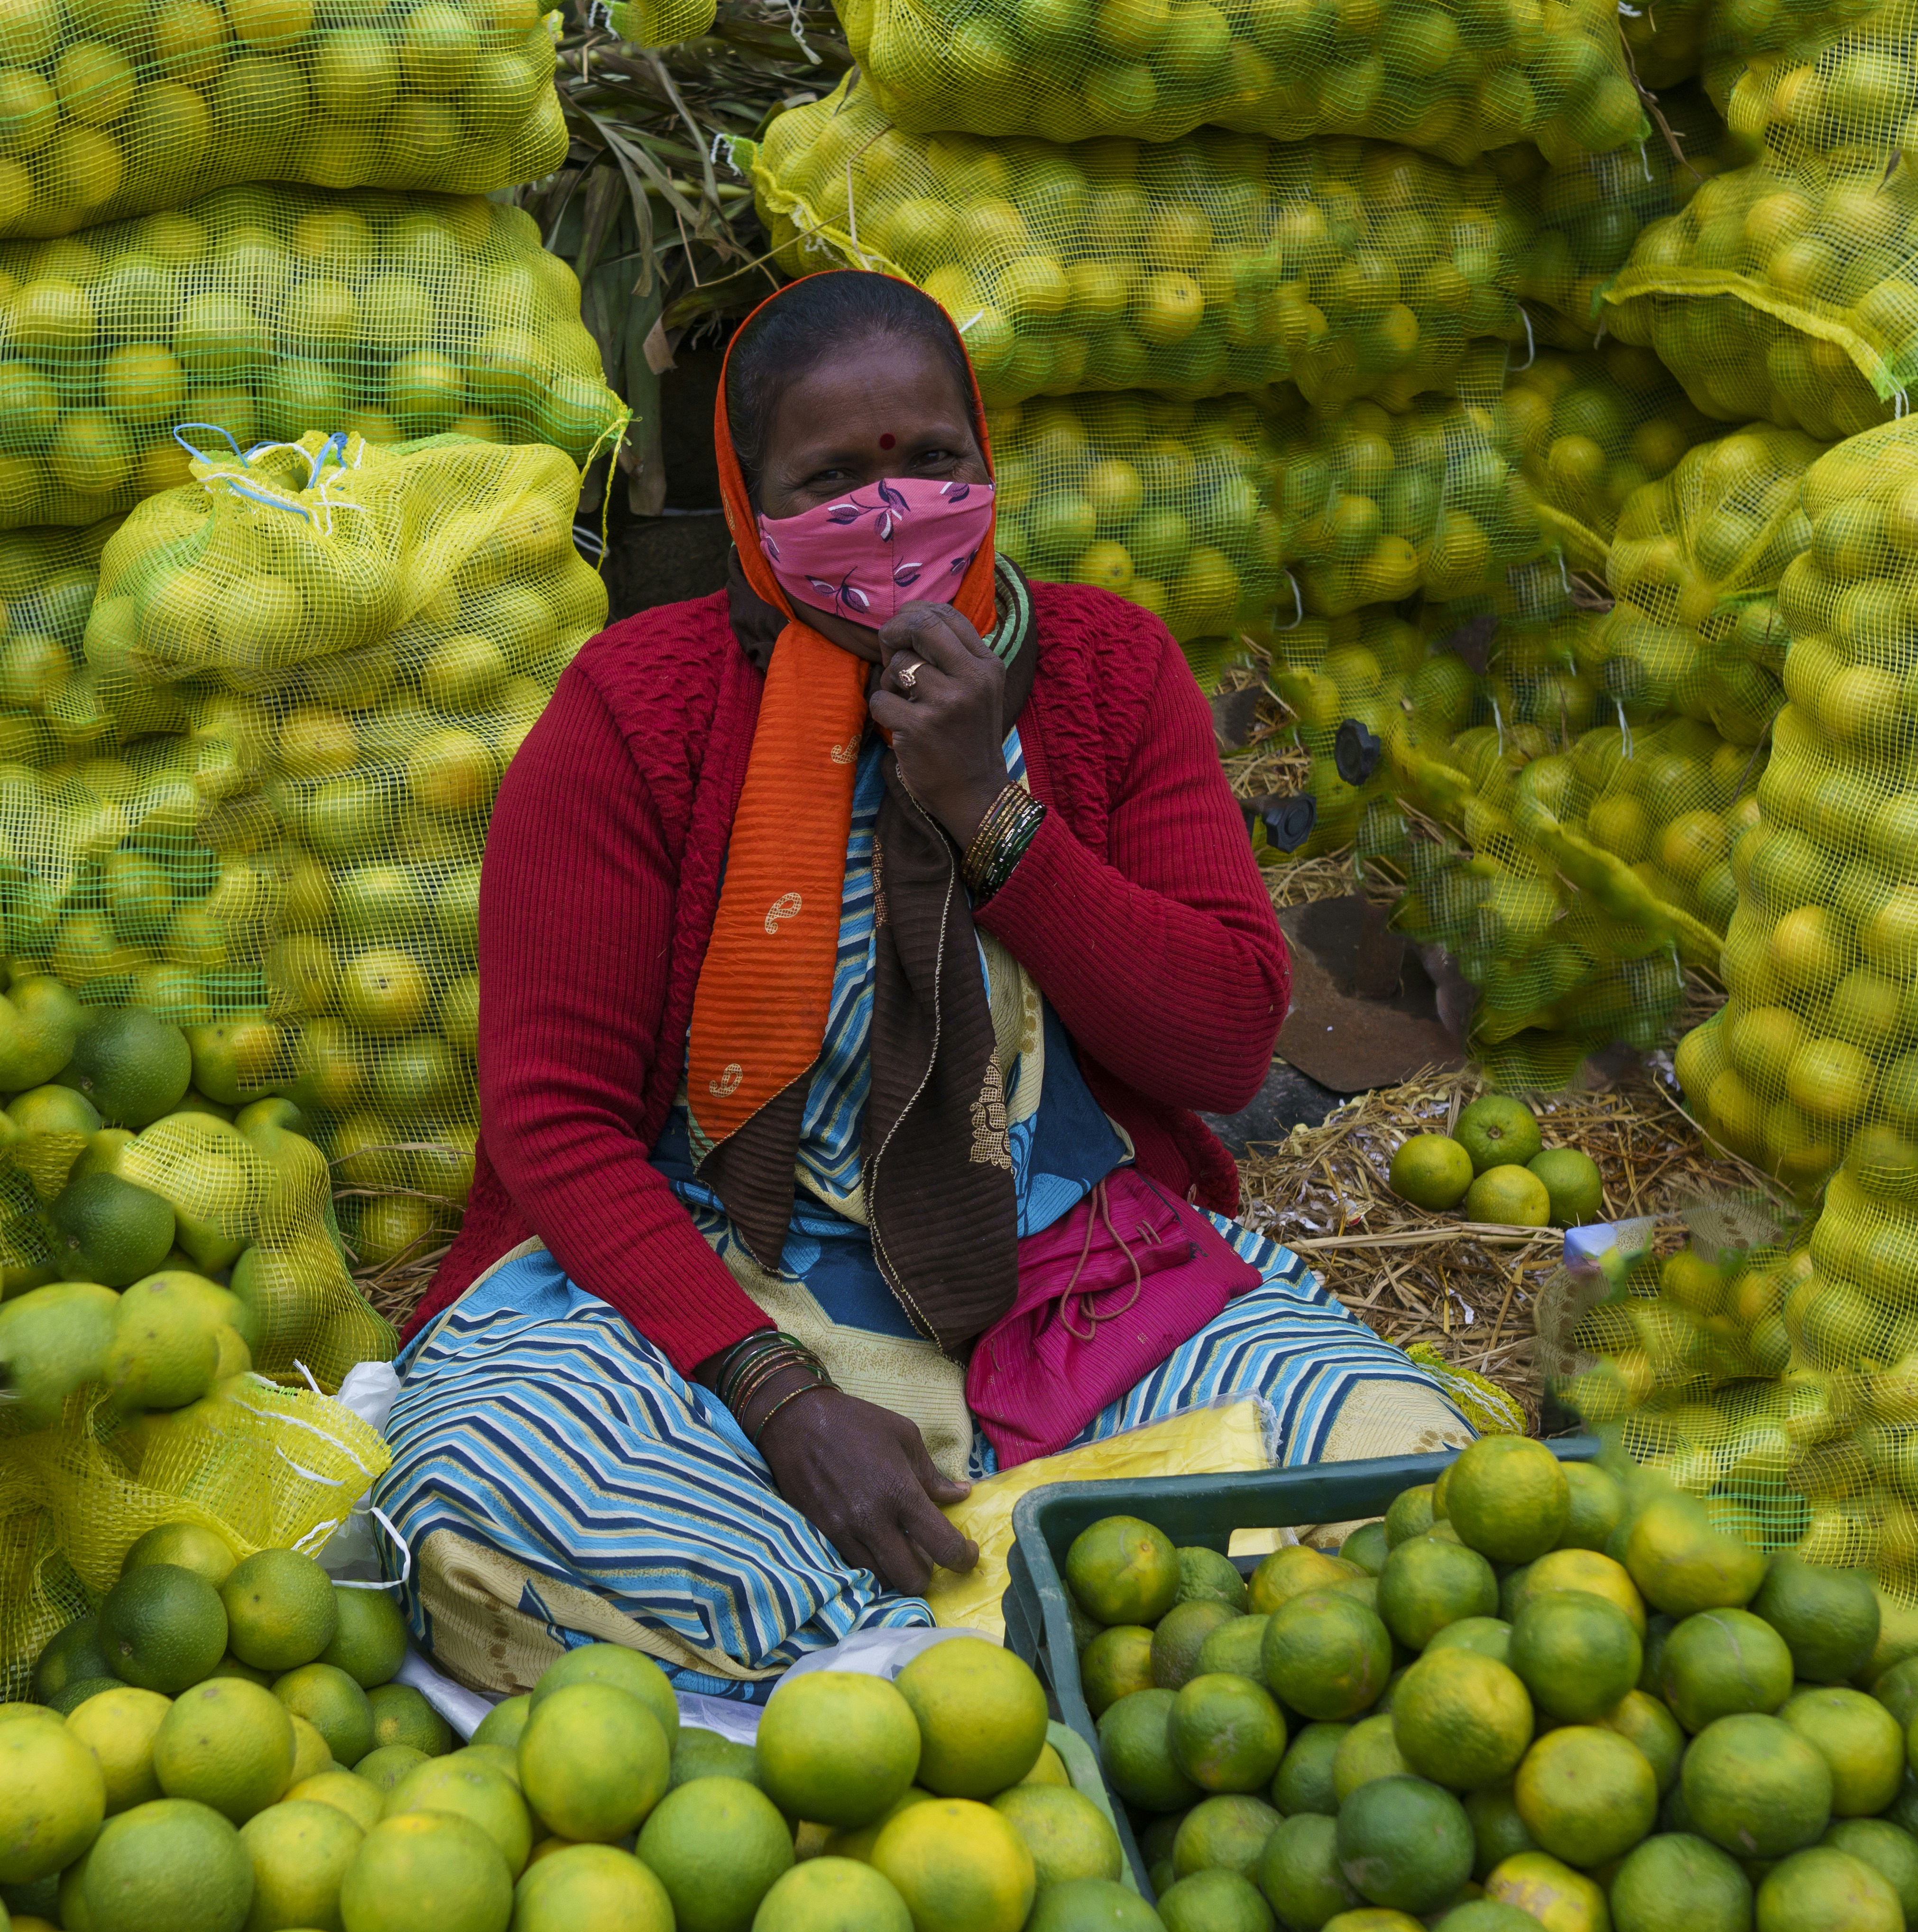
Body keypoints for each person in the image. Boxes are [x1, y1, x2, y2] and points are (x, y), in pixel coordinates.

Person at [378, 271, 1472, 1698]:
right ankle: (960, 1655)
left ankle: (911, 1654)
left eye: (930, 464)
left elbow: (1216, 1041)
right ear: (748, 503)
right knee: (484, 1503)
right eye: (833, 479)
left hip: (1074, 1278)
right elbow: (558, 1122)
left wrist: (989, 815)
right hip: (726, 1288)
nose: (891, 514)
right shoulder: (633, 710)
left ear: (984, 463)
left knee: (1417, 1476)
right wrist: (775, 1396)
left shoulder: (1103, 670)